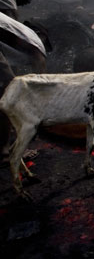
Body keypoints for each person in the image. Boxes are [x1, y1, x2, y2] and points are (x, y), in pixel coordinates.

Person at [0, 11, 46, 165]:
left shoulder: (18, 33)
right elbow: (40, 81)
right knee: (9, 91)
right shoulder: (36, 44)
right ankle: (4, 154)